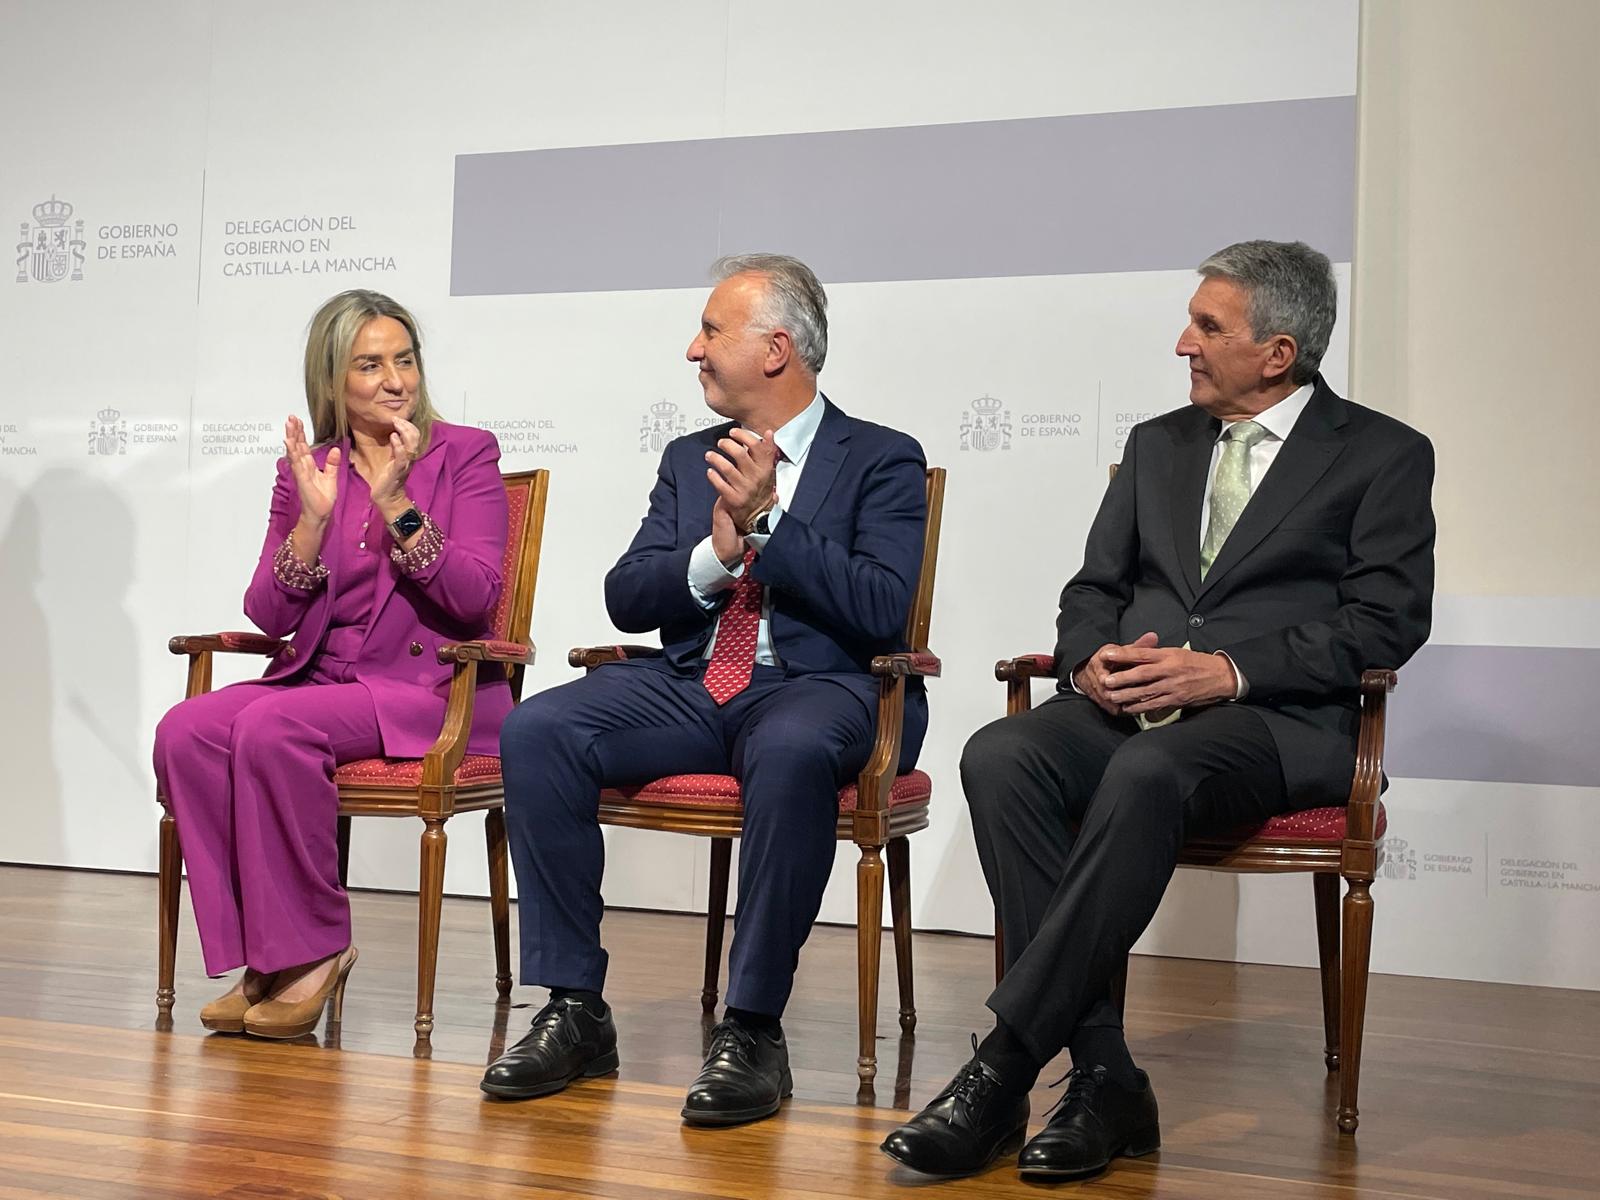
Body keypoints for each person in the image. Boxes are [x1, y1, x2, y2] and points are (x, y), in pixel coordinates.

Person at [882, 240, 1436, 1182]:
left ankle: (1004, 1067)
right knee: (1000, 754)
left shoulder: (1382, 455)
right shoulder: (1157, 445)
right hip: (1128, 708)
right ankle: (1105, 1076)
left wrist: (1228, 671)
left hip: (1277, 724)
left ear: (1279, 351)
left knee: (1148, 772)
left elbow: (1386, 625)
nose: (1183, 341)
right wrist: (1087, 659)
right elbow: (1091, 590)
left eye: (1208, 326)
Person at [483, 253, 929, 1126]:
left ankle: (754, 1027)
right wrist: (716, 556)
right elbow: (628, 593)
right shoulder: (691, 459)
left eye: (711, 331)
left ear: (775, 349)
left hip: (825, 687)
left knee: (792, 750)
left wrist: (770, 525)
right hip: (692, 682)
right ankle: (575, 1008)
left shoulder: (880, 457)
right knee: (538, 731)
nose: (694, 350)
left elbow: (883, 607)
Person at [153, 290, 510, 1039]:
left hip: (430, 689)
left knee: (275, 726)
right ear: (333, 379)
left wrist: (398, 506)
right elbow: (270, 614)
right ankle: (266, 954)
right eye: (370, 364)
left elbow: (477, 599)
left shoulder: (466, 452)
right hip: (323, 680)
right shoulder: (310, 469)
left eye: (404, 360)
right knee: (186, 730)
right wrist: (312, 522)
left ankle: (315, 950)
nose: (395, 380)